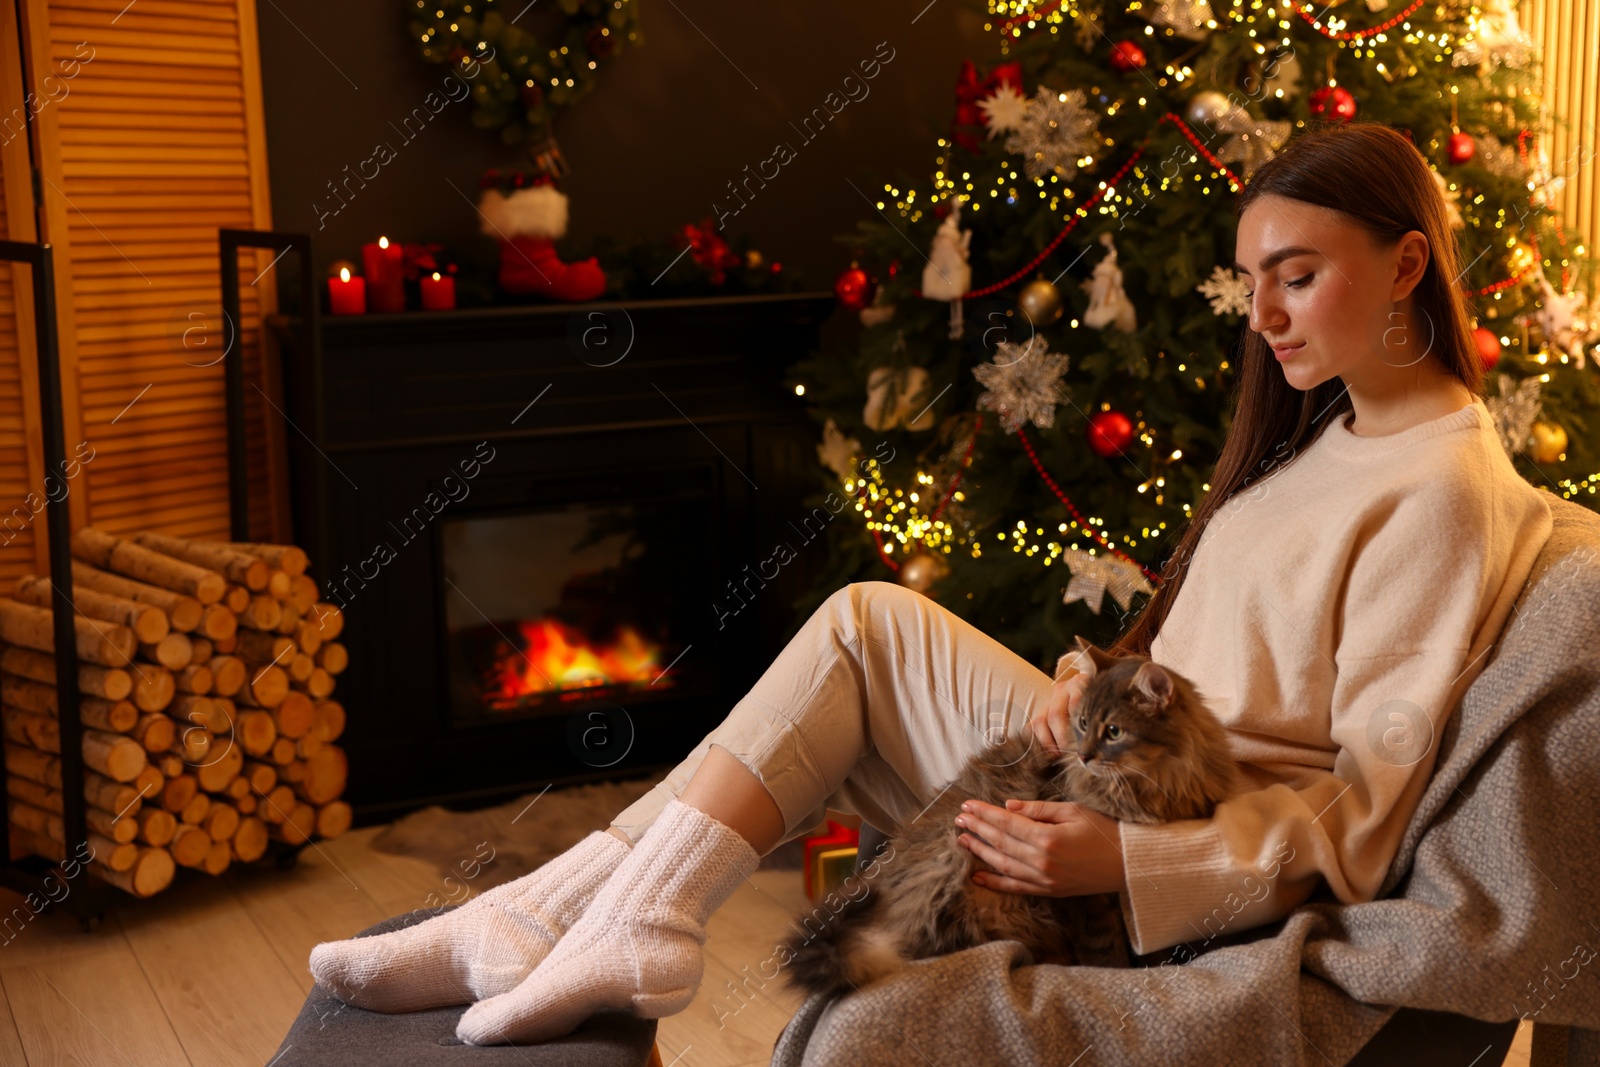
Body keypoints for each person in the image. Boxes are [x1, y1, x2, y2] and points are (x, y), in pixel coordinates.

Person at [307, 121, 1553, 1048]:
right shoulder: (1326, 428)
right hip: (1119, 764)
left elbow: (1365, 816)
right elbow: (1208, 650)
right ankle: (570, 908)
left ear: (1404, 268)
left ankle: (587, 912)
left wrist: (1117, 863)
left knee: (854, 627)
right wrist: (1087, 686)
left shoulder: (1439, 489)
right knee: (866, 623)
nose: (1262, 315)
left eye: (1298, 273)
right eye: (1253, 279)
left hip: (1175, 841)